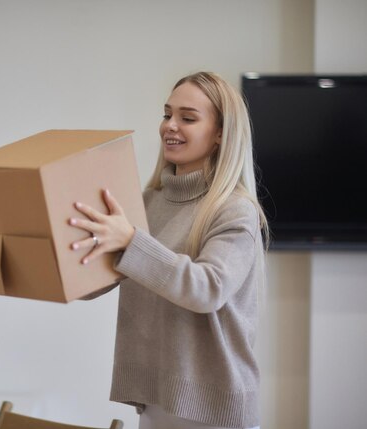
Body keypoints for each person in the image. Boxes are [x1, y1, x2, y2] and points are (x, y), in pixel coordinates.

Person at [68, 71, 268, 429]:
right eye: (167, 114)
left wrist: (130, 241)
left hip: (215, 410)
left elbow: (207, 288)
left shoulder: (234, 210)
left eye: (187, 118)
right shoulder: (147, 202)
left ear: (221, 133)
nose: (170, 126)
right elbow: (107, 274)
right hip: (156, 400)